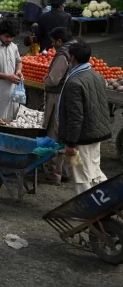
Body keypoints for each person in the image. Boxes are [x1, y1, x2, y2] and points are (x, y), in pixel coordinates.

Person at [58, 42, 111, 194]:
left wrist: (71, 143)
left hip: (82, 136)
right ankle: (111, 201)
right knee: (94, 170)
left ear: (72, 58)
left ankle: (89, 211)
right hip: (96, 132)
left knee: (80, 174)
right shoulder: (97, 76)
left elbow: (76, 116)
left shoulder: (74, 82)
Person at [42, 27, 76, 185]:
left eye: (53, 41)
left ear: (60, 41)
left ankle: (55, 173)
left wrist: (45, 79)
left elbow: (53, 79)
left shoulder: (63, 54)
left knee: (54, 133)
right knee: (65, 134)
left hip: (58, 96)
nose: (52, 44)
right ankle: (65, 171)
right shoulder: (75, 48)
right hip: (70, 96)